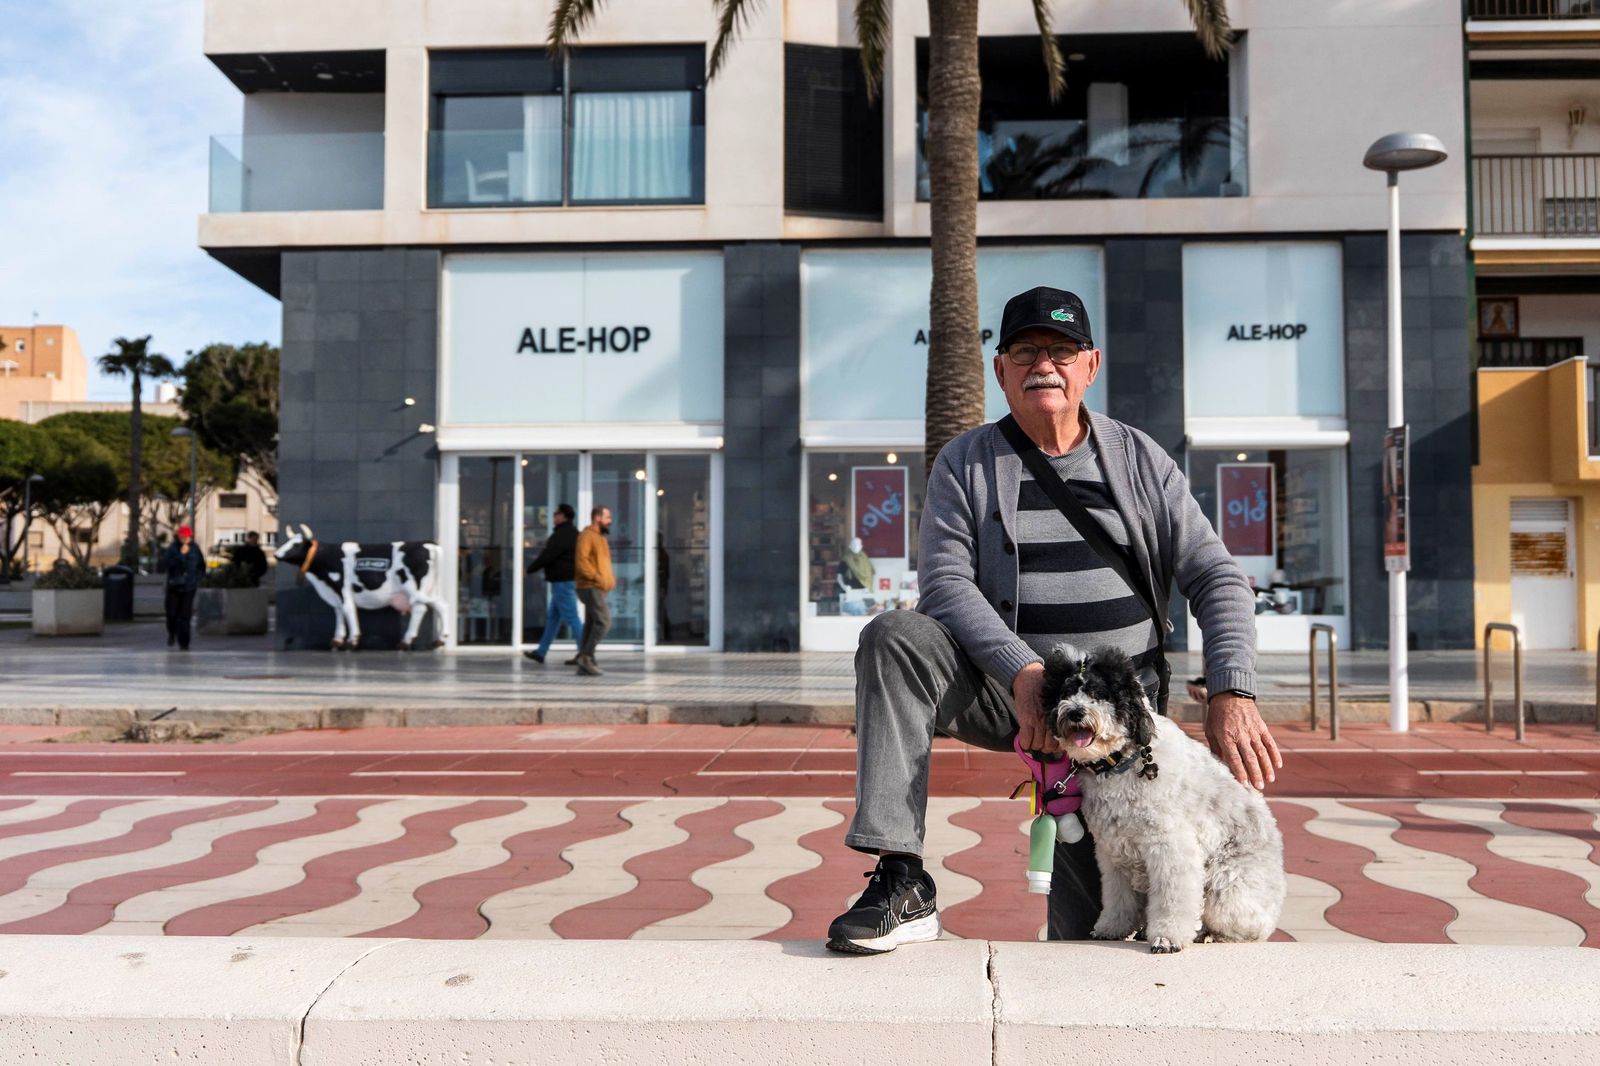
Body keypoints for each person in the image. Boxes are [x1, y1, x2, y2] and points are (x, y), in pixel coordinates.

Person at [825, 286, 1280, 955]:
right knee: (894, 637)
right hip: (1011, 695)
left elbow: (1214, 574)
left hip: (1121, 731)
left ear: (1089, 366)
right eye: (1027, 351)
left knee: (1097, 935)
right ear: (1000, 369)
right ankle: (900, 877)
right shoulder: (966, 464)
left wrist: (1232, 688)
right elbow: (945, 585)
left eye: (1062, 351)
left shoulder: (1140, 460)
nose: (1046, 364)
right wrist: (1023, 670)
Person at [523, 503, 581, 664]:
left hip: (563, 582)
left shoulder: (562, 535)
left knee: (572, 618)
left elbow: (547, 555)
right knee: (553, 618)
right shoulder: (572, 534)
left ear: (563, 516)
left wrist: (530, 569)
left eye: (556, 514)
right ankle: (541, 652)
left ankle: (585, 654)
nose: (554, 516)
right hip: (563, 582)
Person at [573, 505, 615, 676]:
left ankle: (584, 662)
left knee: (591, 624)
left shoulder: (601, 538)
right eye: (607, 517)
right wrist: (597, 577)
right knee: (604, 622)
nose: (610, 521)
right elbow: (582, 562)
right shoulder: (586, 536)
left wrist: (608, 580)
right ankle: (585, 656)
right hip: (589, 586)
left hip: (598, 587)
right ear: (597, 518)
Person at [160, 525, 205, 651]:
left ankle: (184, 642)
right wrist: (181, 555)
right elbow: (166, 564)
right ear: (178, 536)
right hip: (174, 586)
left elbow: (201, 566)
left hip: (189, 587)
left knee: (185, 616)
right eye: (182, 536)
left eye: (187, 537)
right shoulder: (172, 549)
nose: (185, 539)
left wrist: (198, 578)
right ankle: (172, 633)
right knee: (172, 614)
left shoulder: (195, 549)